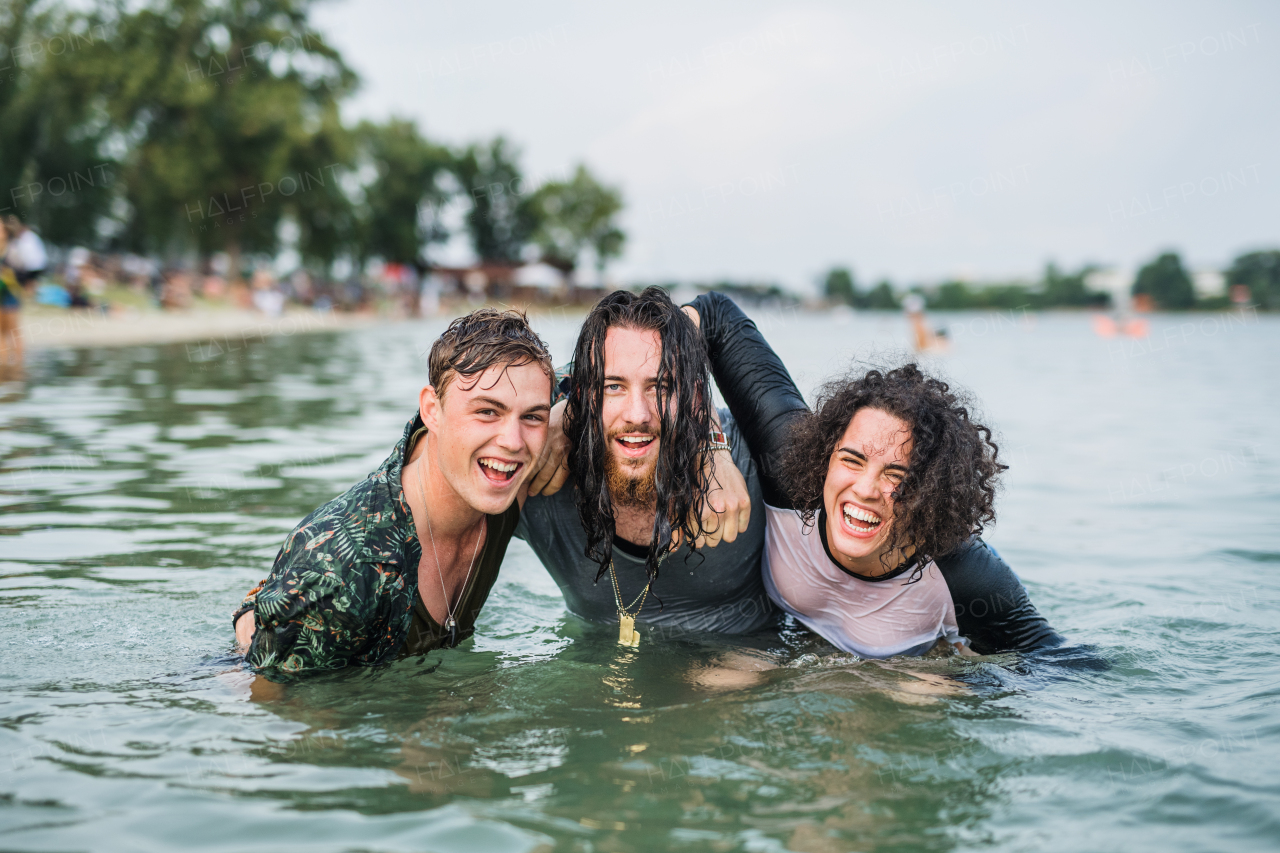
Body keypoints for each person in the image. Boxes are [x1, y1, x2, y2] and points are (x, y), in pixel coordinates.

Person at [684, 291, 1063, 655]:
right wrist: (709, 451)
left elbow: (1060, 665)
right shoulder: (789, 468)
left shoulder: (963, 577)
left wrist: (964, 682)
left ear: (930, 490)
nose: (865, 489)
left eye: (896, 475)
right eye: (851, 460)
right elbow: (712, 315)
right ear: (824, 456)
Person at [231, 308, 555, 673]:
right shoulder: (350, 570)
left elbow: (602, 386)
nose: (512, 442)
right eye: (487, 412)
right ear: (432, 411)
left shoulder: (502, 476)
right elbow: (270, 708)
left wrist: (567, 414)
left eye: (532, 416)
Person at [518, 287, 765, 643]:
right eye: (613, 386)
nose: (638, 415)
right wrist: (558, 406)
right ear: (585, 394)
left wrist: (714, 448)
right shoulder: (541, 469)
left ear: (695, 398)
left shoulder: (750, 461)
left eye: (660, 386)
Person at [4, 216, 47, 289]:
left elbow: (24, 257)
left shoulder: (24, 238)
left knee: (28, 284)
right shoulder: (29, 235)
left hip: (32, 266)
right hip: (38, 264)